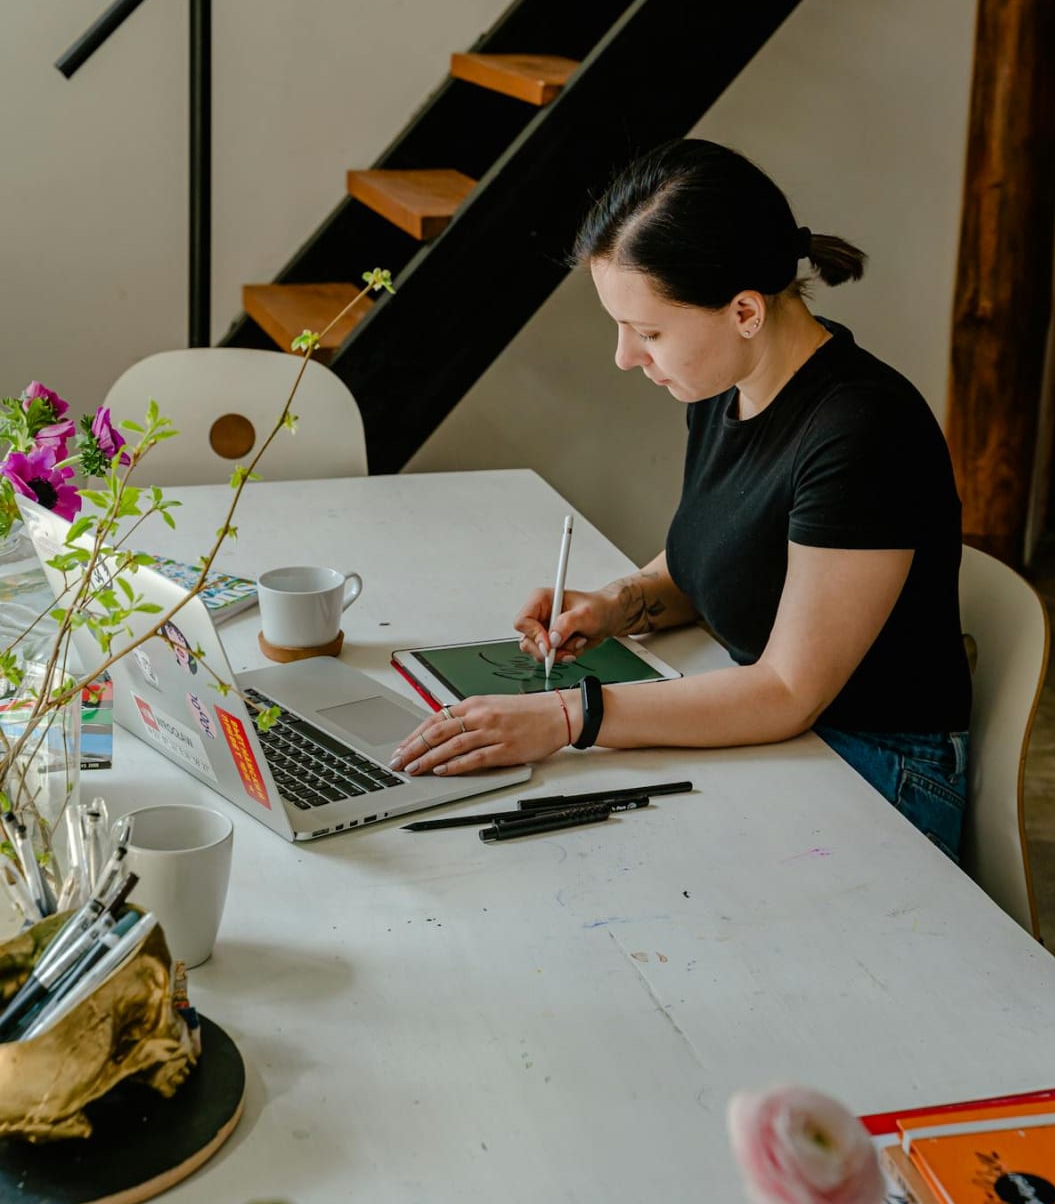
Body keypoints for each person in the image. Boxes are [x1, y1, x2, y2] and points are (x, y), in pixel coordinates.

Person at [389, 139, 972, 857]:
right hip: (779, 731)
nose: (625, 357)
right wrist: (616, 603)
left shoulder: (862, 432)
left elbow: (789, 691)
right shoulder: (725, 388)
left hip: (877, 766)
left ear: (746, 311)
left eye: (649, 332)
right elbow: (719, 560)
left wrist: (567, 717)